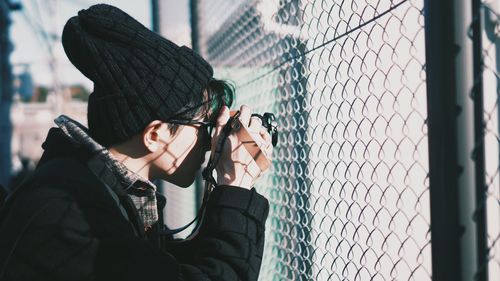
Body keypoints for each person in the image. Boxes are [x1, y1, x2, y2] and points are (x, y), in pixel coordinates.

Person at [0, 4, 273, 281]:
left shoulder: (92, 188)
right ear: (155, 135)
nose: (210, 142)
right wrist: (235, 186)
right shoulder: (74, 212)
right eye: (205, 128)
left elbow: (165, 268)